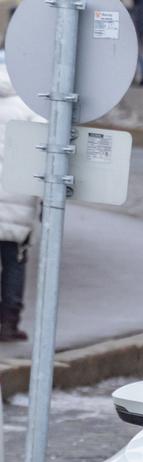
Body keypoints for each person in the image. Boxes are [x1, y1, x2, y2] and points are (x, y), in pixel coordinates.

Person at [0, 66, 40, 342]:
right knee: (14, 260)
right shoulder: (30, 109)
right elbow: (44, 156)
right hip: (18, 201)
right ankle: (8, 323)